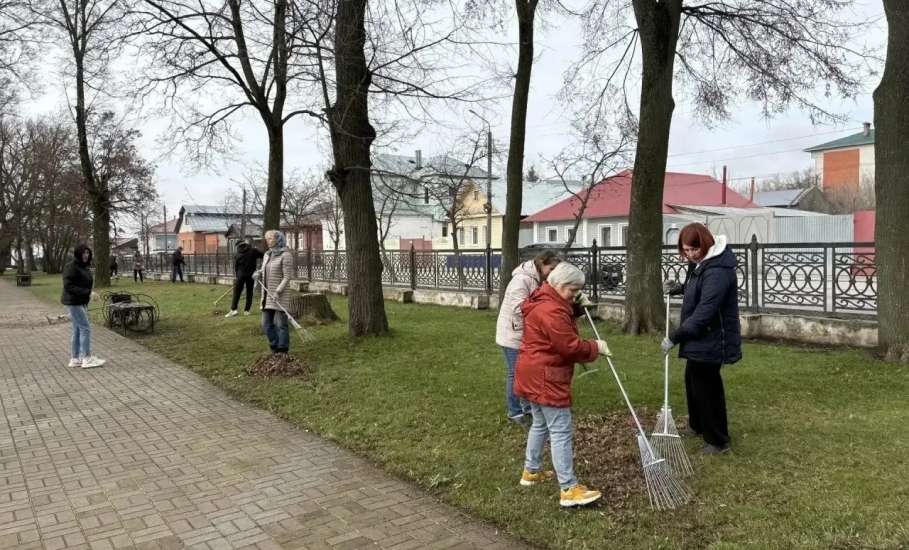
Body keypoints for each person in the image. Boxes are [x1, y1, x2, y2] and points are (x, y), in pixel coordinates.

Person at [514, 262, 610, 508]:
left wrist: (576, 307)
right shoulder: (551, 310)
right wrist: (595, 347)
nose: (574, 295)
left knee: (540, 424)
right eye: (573, 291)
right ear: (559, 284)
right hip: (546, 376)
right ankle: (568, 489)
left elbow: (558, 323)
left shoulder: (543, 298)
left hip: (532, 371)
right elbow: (568, 346)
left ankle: (531, 471)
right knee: (560, 430)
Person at [662, 222, 742, 455]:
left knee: (708, 388)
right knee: (692, 380)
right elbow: (696, 287)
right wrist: (678, 288)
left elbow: (705, 312)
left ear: (705, 244)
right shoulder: (702, 263)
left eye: (694, 249)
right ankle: (698, 425)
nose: (690, 254)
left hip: (714, 337)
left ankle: (718, 440)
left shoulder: (717, 270)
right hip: (701, 337)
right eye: (686, 250)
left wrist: (675, 337)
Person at [495, 250, 562, 427]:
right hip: (512, 334)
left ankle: (527, 408)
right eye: (551, 268)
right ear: (542, 263)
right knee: (515, 373)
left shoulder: (539, 279)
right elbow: (519, 308)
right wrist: (544, 311)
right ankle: (514, 411)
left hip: (526, 334)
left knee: (525, 373)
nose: (553, 272)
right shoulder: (521, 280)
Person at [61, 244, 105, 369]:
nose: (86, 255)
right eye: (83, 253)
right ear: (78, 254)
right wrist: (88, 293)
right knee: (85, 328)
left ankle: (75, 359)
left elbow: (83, 284)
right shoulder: (71, 267)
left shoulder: (84, 267)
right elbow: (69, 286)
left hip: (81, 302)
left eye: (87, 253)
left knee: (77, 329)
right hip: (73, 303)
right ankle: (86, 358)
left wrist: (90, 294)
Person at [254, 230, 295, 354]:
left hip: (280, 294)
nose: (268, 241)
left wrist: (278, 291)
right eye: (267, 238)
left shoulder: (286, 255)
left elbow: (287, 276)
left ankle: (283, 349)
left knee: (281, 324)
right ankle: (274, 345)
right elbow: (263, 270)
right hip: (267, 295)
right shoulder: (267, 254)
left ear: (278, 239)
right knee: (266, 324)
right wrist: (258, 273)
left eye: (270, 238)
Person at [226, 240, 264, 317]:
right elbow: (263, 255)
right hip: (251, 275)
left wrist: (237, 276)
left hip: (240, 275)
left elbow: (236, 267)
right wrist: (260, 266)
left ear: (238, 246)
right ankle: (247, 311)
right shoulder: (253, 250)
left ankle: (233, 310)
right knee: (249, 293)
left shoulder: (237, 254)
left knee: (237, 293)